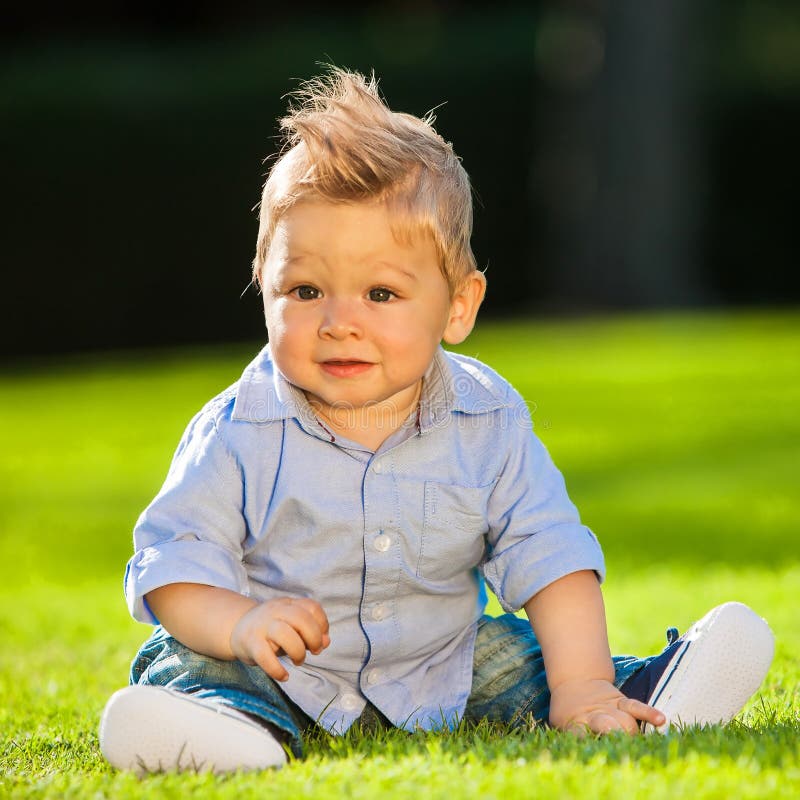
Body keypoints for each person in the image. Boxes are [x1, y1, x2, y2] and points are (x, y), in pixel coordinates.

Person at [99, 67, 775, 775]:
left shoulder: (486, 420)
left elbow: (551, 557)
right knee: (196, 662)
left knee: (524, 659)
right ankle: (227, 730)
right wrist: (238, 624)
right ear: (264, 286)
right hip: (279, 664)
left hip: (439, 664)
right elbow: (174, 562)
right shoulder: (238, 429)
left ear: (458, 307)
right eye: (305, 290)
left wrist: (580, 688)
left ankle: (636, 693)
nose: (339, 323)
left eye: (381, 293)